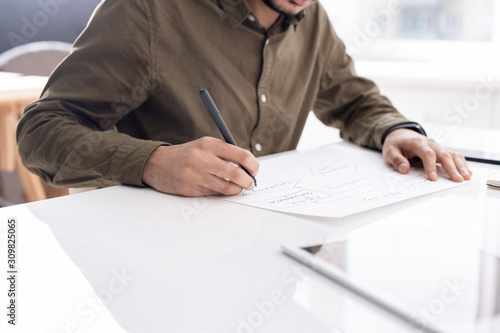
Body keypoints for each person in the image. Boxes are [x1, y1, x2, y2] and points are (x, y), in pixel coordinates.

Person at [17, 0, 472, 197]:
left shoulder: (312, 23)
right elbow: (40, 131)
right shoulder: (150, 12)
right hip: (148, 264)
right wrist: (152, 162)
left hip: (262, 250)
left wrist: (395, 129)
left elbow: (354, 100)